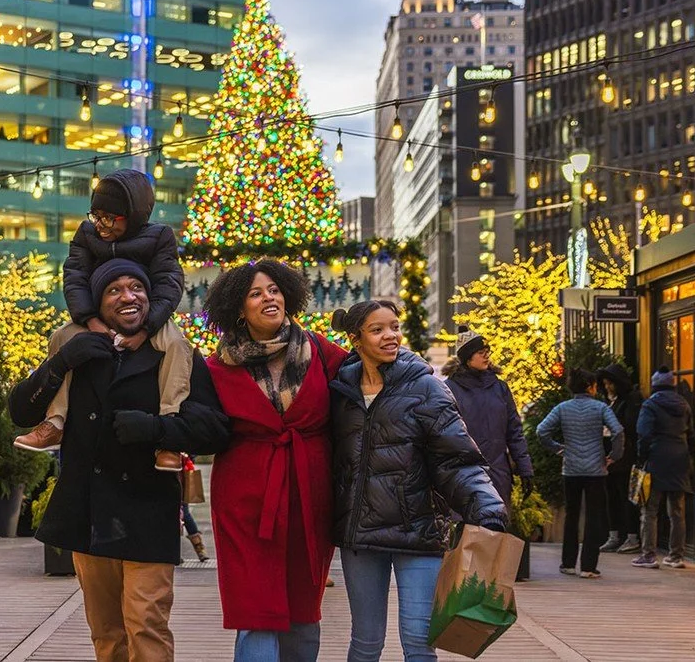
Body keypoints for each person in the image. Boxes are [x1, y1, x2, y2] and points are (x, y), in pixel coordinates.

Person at [8, 259, 230, 662]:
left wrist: (154, 429)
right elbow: (21, 412)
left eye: (137, 288)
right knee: (107, 633)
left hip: (147, 511)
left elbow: (214, 428)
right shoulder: (78, 348)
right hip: (88, 511)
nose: (129, 296)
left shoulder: (174, 352)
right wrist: (60, 362)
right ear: (97, 302)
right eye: (115, 290)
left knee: (147, 625)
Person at [330, 302, 508, 662]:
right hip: (359, 534)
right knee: (365, 641)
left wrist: (485, 505)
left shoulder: (426, 388)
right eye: (377, 329)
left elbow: (456, 458)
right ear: (356, 339)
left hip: (419, 530)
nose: (390, 336)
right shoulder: (339, 392)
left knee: (417, 640)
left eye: (394, 327)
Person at [202, 260, 346, 662]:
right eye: (255, 293)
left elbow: (371, 379)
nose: (269, 297)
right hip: (244, 494)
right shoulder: (216, 367)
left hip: (308, 488)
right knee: (255, 605)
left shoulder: (320, 349)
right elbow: (195, 423)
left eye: (274, 289)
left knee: (304, 599)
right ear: (238, 308)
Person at [15, 169, 190, 474]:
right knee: (61, 338)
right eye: (97, 215)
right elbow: (75, 278)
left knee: (176, 345)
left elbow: (168, 284)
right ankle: (55, 421)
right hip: (96, 315)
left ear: (133, 214)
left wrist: (147, 328)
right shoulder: (87, 234)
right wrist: (90, 320)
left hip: (150, 317)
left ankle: (169, 431)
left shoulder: (159, 237)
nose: (101, 224)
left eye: (110, 217)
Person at [536, 368, 624, 579]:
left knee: (571, 516)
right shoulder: (601, 408)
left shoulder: (562, 408)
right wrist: (614, 455)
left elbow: (541, 431)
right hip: (596, 469)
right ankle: (588, 566)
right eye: (595, 385)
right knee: (594, 516)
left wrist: (559, 448)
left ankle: (567, 563)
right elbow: (618, 431)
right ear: (590, 386)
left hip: (571, 468)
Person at [442, 326, 533, 507]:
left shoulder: (500, 388)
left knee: (496, 530)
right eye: (481, 352)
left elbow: (514, 432)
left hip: (498, 474)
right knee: (468, 532)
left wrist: (525, 469)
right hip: (464, 476)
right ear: (467, 358)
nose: (487, 356)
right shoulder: (449, 390)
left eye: (487, 352)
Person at [631, 366, 695, 570]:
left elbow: (644, 433)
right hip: (680, 459)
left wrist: (642, 457)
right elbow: (691, 432)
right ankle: (676, 556)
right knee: (677, 511)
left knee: (649, 510)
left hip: (656, 458)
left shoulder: (650, 405)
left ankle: (649, 555)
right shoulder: (684, 404)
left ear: (654, 385)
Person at [597, 363, 642, 554]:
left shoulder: (629, 401)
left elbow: (629, 427)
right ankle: (615, 535)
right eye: (605, 384)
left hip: (624, 457)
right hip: (610, 458)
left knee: (625, 496)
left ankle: (631, 536)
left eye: (610, 384)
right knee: (613, 497)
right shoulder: (611, 402)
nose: (607, 387)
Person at [181, 454, 209, 562]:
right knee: (181, 512)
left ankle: (199, 547)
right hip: (173, 470)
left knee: (184, 512)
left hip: (182, 471)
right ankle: (200, 548)